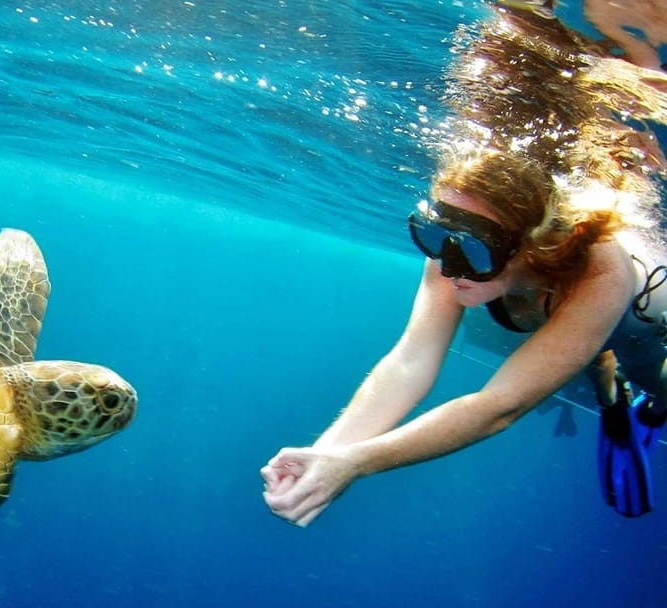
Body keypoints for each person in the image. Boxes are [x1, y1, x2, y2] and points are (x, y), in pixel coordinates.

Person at [261, 2, 667, 526]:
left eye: (472, 248)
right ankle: (601, 379)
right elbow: (409, 362)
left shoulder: (599, 268)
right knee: (579, 353)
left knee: (655, 381)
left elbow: (499, 405)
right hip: (557, 311)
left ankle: (635, 402)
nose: (448, 263)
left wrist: (356, 464)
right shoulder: (457, 249)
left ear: (534, 245)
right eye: (432, 234)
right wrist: (324, 456)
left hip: (646, 329)